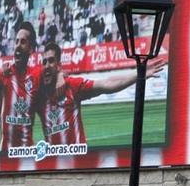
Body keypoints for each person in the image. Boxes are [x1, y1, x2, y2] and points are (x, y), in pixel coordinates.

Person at [34, 42, 167, 146]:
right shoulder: (37, 92)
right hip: (52, 164)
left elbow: (106, 84)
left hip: (77, 162)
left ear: (58, 66)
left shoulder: (72, 86)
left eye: (51, 61)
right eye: (44, 62)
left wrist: (139, 74)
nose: (46, 65)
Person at [0, 15, 42, 151]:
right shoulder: (4, 74)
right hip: (7, 157)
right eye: (16, 41)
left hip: (27, 156)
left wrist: (59, 76)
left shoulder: (37, 75)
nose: (17, 45)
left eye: (23, 42)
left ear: (30, 49)